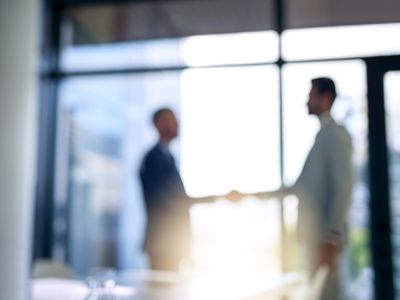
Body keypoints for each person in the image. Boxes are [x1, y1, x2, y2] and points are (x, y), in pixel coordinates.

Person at [233, 77, 353, 300]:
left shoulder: (336, 136)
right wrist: (250, 195)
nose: (307, 101)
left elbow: (344, 188)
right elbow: (299, 188)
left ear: (326, 99)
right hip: (316, 239)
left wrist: (332, 238)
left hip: (325, 241)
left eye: (311, 95)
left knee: (331, 295)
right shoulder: (322, 137)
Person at [139, 108, 236, 271]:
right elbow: (173, 201)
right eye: (172, 120)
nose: (177, 124)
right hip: (163, 243)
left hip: (173, 242)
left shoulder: (167, 157)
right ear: (159, 124)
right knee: (163, 294)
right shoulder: (153, 159)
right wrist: (220, 197)